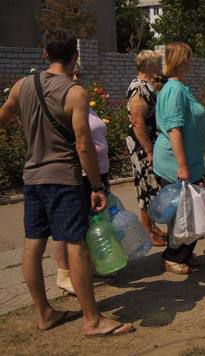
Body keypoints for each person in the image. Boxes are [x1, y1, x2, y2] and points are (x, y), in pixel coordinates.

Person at [0, 29, 133, 336]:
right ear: (75, 55)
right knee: (76, 245)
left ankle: (44, 313)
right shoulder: (75, 92)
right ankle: (93, 320)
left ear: (45, 53)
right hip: (64, 180)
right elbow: (83, 146)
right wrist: (97, 187)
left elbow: (3, 118)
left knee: (33, 244)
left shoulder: (22, 86)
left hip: (32, 178)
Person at [51, 63, 112, 295]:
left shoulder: (82, 99)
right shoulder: (63, 102)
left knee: (91, 222)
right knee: (68, 225)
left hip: (97, 171)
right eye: (72, 73)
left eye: (78, 73)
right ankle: (64, 273)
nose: (76, 77)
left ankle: (88, 265)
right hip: (79, 172)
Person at [154, 42, 205, 275]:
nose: (191, 62)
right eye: (189, 58)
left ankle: (182, 252)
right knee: (184, 212)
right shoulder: (174, 89)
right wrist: (183, 165)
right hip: (176, 162)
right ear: (181, 60)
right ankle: (173, 256)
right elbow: (174, 129)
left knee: (189, 210)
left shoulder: (181, 87)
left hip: (189, 161)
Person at [126, 50, 166, 247]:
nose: (160, 67)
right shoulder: (139, 89)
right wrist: (149, 150)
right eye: (158, 64)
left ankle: (153, 227)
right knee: (145, 186)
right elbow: (137, 122)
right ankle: (147, 230)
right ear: (149, 65)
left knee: (151, 185)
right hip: (142, 145)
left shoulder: (148, 86)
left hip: (148, 142)